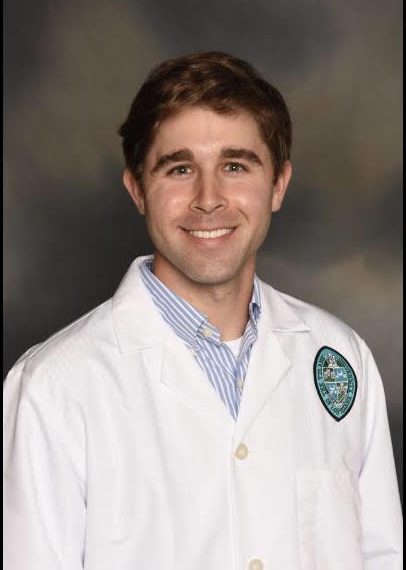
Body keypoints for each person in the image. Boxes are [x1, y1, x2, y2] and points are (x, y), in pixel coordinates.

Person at [3, 51, 402, 570]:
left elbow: (382, 556)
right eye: (180, 168)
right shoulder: (52, 389)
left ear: (278, 185)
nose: (208, 199)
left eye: (235, 166)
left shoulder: (339, 357)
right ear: (137, 189)